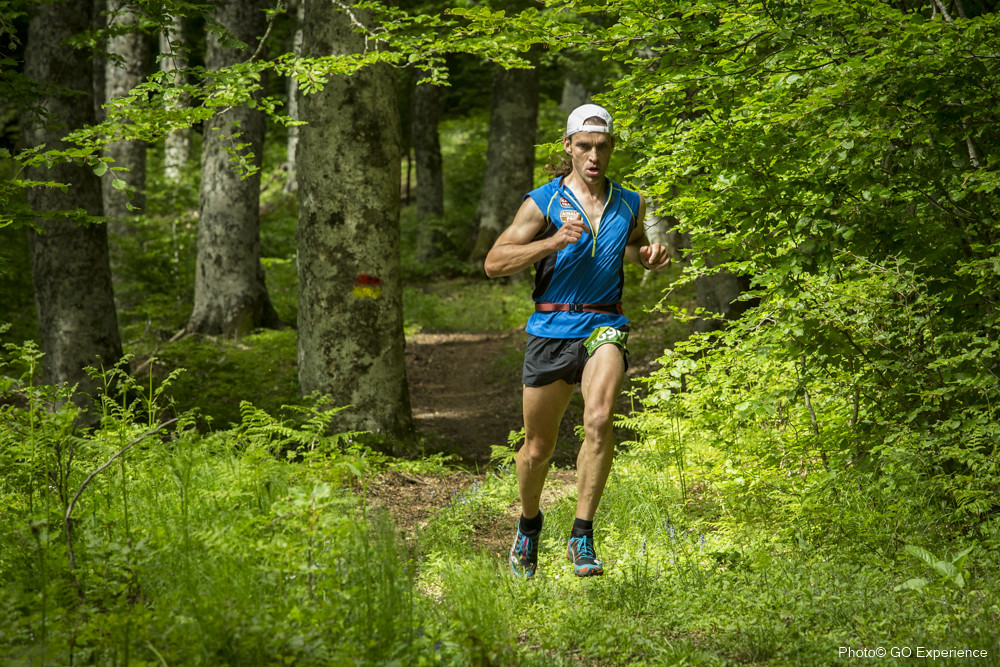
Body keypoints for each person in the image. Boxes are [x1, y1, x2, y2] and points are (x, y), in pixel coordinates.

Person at [484, 104, 670, 578]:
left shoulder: (631, 202)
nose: (593, 155)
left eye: (602, 146)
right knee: (537, 450)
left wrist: (646, 255)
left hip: (604, 325)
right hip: (549, 331)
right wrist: (550, 242)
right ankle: (529, 525)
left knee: (600, 417)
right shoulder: (542, 201)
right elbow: (494, 262)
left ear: (611, 149)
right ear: (568, 147)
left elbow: (628, 245)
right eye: (584, 146)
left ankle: (582, 536)